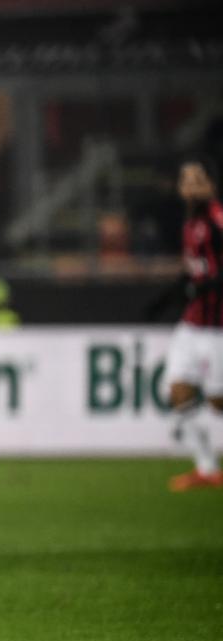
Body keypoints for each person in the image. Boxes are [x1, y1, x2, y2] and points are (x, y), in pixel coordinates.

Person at [166, 157, 223, 491]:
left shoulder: (217, 220)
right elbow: (195, 270)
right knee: (178, 390)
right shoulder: (190, 224)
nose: (191, 187)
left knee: (217, 401)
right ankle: (207, 469)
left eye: (197, 180)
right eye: (186, 181)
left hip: (219, 326)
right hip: (192, 324)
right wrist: (172, 294)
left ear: (210, 186)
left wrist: (211, 285)